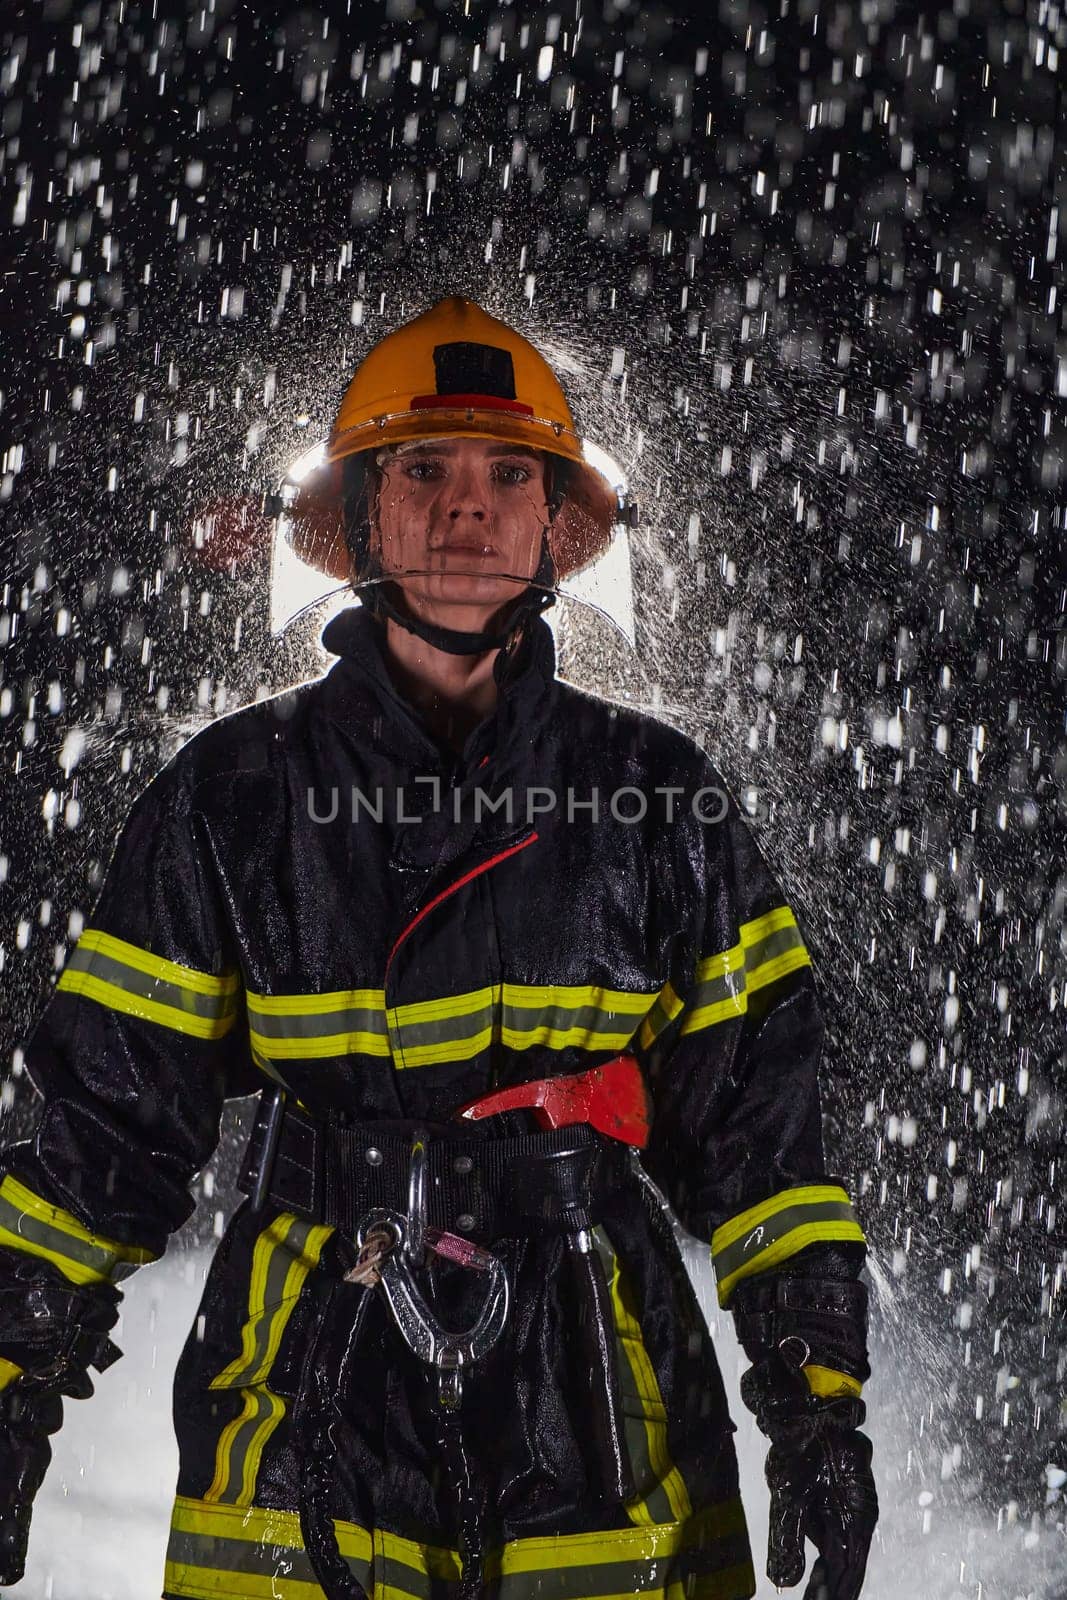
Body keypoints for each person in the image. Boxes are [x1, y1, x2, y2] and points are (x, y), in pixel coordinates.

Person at [0, 298, 877, 1600]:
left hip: (599, 1392)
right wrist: (11, 1382)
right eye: (424, 469)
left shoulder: (660, 798)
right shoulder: (231, 796)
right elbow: (101, 1129)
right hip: (301, 1389)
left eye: (508, 474)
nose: (468, 508)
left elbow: (766, 1146)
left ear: (550, 526)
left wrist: (817, 1406)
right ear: (358, 517)